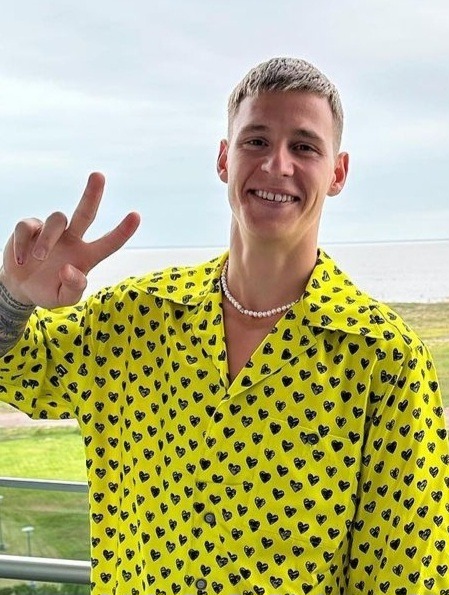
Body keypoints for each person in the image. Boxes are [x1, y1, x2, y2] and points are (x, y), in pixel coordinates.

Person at [0, 57, 448, 595]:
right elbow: (18, 372)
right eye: (255, 141)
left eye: (304, 146)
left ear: (337, 173)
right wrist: (14, 298)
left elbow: (404, 575)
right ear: (223, 159)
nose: (277, 164)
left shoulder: (383, 358)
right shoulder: (133, 317)